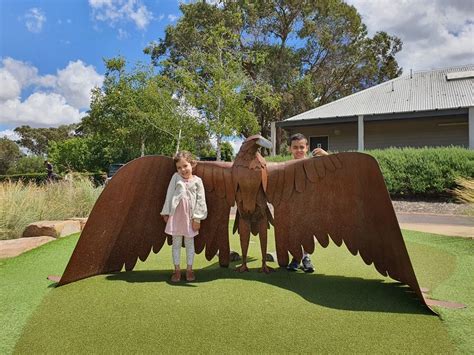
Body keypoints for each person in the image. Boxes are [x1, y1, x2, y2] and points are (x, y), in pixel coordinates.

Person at [161, 151, 207, 282]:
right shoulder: (176, 177)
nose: (183, 170)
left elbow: (201, 200)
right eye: (179, 167)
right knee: (175, 244)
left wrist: (197, 218)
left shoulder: (198, 181)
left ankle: (189, 270)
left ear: (192, 164)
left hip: (190, 219)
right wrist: (166, 212)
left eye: (185, 166)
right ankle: (176, 270)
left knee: (189, 244)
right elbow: (169, 194)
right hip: (176, 217)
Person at [286, 133, 328, 273]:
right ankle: (296, 258)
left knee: (309, 233)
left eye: (302, 147)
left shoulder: (314, 163)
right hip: (292, 206)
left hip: (311, 206)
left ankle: (305, 258)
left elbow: (334, 169)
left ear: (307, 148)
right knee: (293, 233)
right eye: (295, 147)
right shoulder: (285, 167)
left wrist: (326, 155)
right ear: (289, 149)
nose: (299, 150)